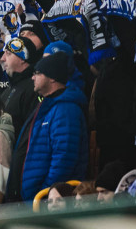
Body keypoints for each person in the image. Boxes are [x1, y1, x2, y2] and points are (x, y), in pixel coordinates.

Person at [7, 51, 88, 201]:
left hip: (48, 199)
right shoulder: (46, 106)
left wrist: (46, 192)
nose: (32, 77)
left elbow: (64, 158)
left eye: (37, 73)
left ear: (52, 78)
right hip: (33, 197)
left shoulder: (66, 110)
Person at [0, 36, 39, 137]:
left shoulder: (34, 88)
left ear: (23, 58)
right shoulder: (9, 89)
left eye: (8, 54)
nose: (2, 59)